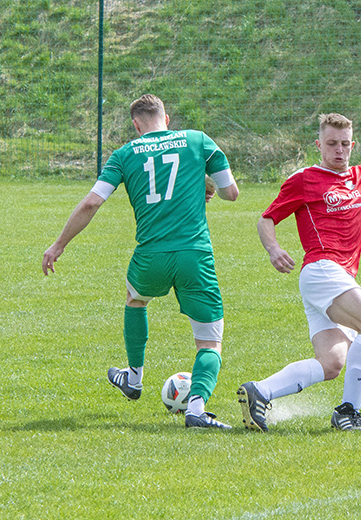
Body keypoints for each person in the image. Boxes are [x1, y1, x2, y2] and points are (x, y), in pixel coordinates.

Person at [237, 62, 361, 433]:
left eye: (344, 144)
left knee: (333, 362)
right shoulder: (304, 179)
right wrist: (273, 249)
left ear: (352, 145)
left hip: (334, 277)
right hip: (321, 270)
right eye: (331, 144)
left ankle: (260, 392)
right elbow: (266, 219)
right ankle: (348, 413)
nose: (339, 150)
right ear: (319, 145)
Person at [43, 94, 239, 429]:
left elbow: (91, 203)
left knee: (136, 299)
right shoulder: (198, 140)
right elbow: (230, 193)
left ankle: (133, 378)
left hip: (151, 255)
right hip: (194, 254)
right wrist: (206, 182)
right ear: (168, 117)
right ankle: (196, 407)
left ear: (136, 125)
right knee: (209, 341)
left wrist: (59, 244)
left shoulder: (124, 154)